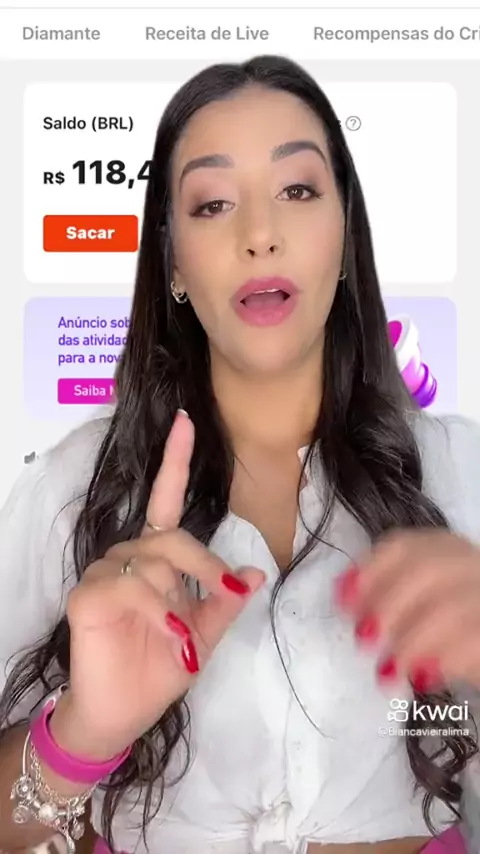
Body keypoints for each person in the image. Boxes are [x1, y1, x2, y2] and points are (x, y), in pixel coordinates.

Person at [1, 54, 480, 854]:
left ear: (345, 233)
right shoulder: (69, 492)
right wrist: (79, 737)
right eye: (213, 203)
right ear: (173, 262)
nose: (260, 235)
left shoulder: (463, 474)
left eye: (298, 190)